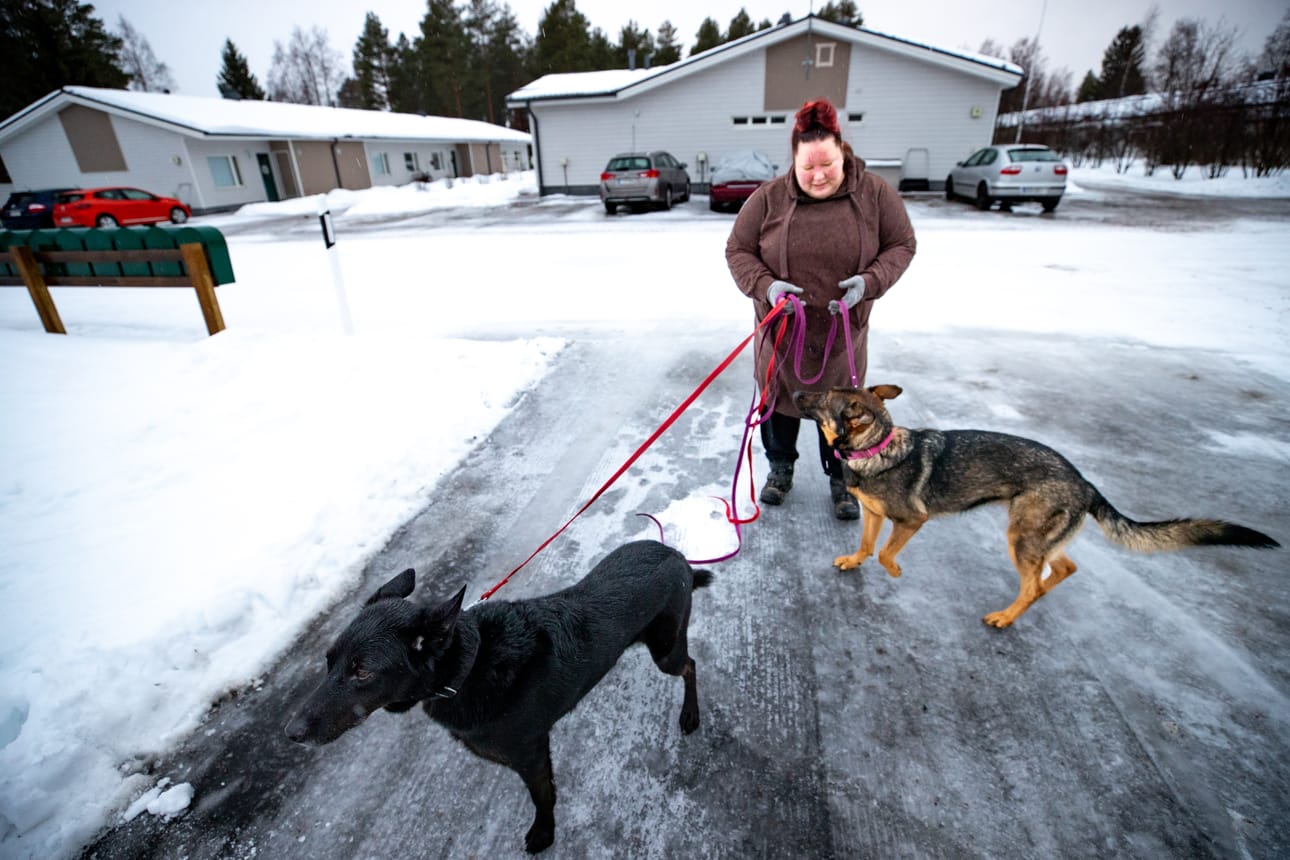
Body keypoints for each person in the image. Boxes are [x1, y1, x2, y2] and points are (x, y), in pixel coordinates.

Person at [726, 99, 917, 519]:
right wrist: (767, 286)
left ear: (841, 151)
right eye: (807, 167)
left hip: (841, 333)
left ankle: (843, 480)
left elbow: (902, 244)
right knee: (778, 404)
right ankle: (780, 468)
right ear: (792, 160)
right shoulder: (768, 198)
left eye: (827, 164)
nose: (818, 176)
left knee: (843, 410)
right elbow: (738, 249)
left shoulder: (875, 193)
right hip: (782, 332)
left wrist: (870, 282)